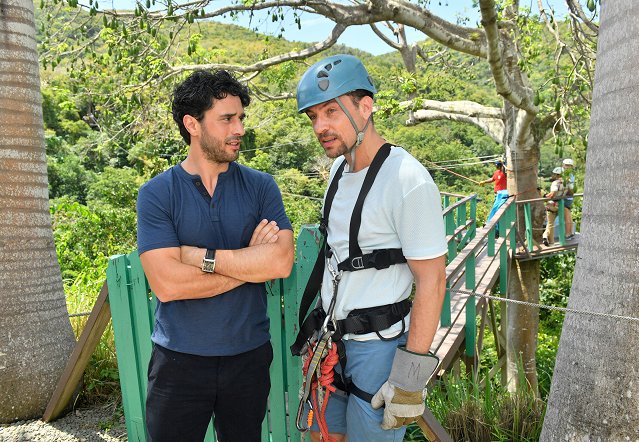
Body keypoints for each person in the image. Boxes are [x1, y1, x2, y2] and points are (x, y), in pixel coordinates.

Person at [294, 54, 447, 441]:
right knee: (324, 436)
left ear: (366, 106)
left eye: (331, 111)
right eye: (313, 116)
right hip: (330, 339)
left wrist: (409, 380)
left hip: (377, 349)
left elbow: (432, 281)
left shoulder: (407, 179)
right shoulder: (337, 171)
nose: (321, 126)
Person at [136, 69, 294, 442]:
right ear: (193, 123)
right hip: (178, 361)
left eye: (240, 118)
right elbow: (168, 284)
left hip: (248, 357)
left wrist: (201, 258)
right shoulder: (157, 194)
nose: (238, 128)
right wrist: (251, 262)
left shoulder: (261, 186)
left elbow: (281, 262)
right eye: (226, 119)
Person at [542, 167, 565, 247]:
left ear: (556, 174)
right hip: (560, 205)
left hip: (552, 205)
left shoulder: (555, 183)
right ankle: (548, 239)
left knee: (550, 223)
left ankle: (548, 238)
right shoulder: (564, 183)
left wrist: (544, 195)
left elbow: (552, 194)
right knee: (551, 223)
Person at [562, 158, 576, 239]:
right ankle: (570, 233)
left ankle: (567, 234)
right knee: (569, 216)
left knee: (566, 216)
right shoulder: (572, 174)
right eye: (566, 165)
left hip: (566, 197)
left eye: (568, 166)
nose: (567, 167)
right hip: (570, 197)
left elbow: (566, 186)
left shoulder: (567, 175)